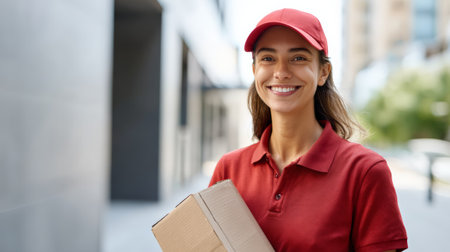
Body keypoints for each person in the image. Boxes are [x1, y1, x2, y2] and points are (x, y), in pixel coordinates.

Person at [208, 8, 408, 252]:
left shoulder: (365, 171)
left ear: (323, 72)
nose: (281, 72)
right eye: (268, 58)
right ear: (255, 71)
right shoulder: (229, 169)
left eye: (298, 58)